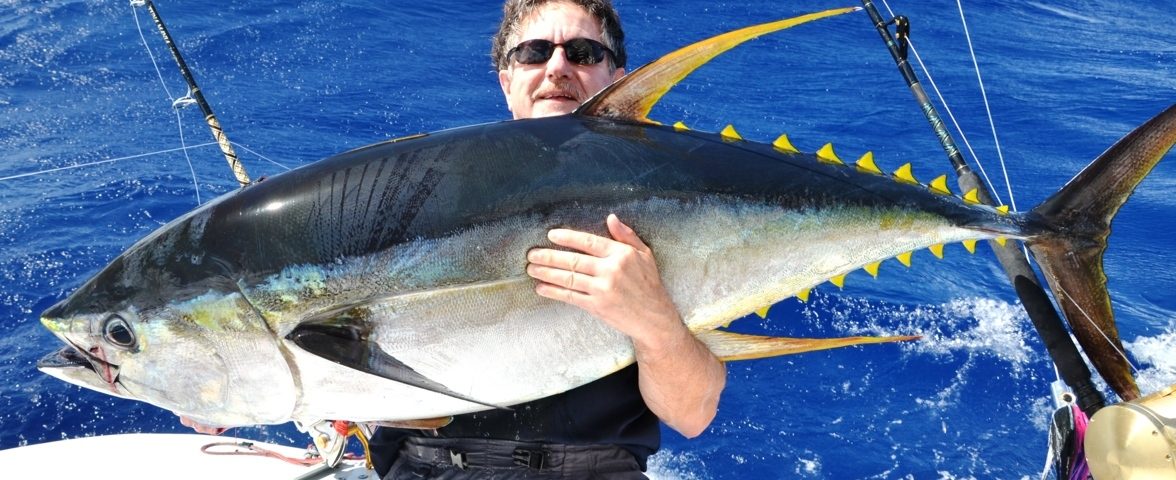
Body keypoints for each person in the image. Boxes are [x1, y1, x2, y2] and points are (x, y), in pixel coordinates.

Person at [367, 1, 726, 478]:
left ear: (617, 75)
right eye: (534, 53)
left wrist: (654, 318)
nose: (557, 67)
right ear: (506, 79)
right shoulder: (414, 192)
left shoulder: (668, 204)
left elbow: (692, 415)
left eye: (582, 52)